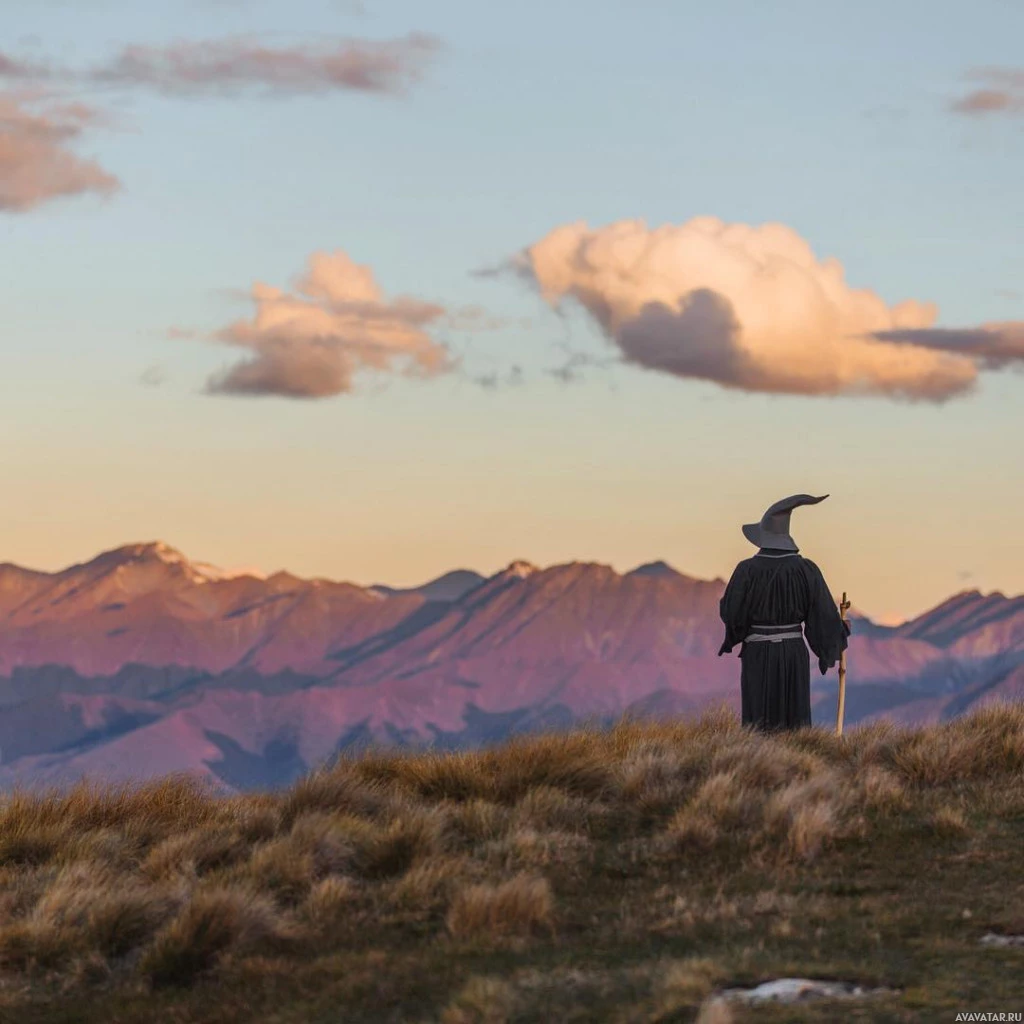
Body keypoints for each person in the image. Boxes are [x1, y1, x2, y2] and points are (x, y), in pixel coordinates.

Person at [718, 493, 850, 731]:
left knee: (758, 724)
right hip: (793, 653)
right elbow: (823, 617)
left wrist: (740, 631)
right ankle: (796, 764)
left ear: (762, 537)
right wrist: (839, 632)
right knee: (794, 721)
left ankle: (758, 765)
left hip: (757, 653)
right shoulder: (806, 570)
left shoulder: (746, 570)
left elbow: (731, 613)